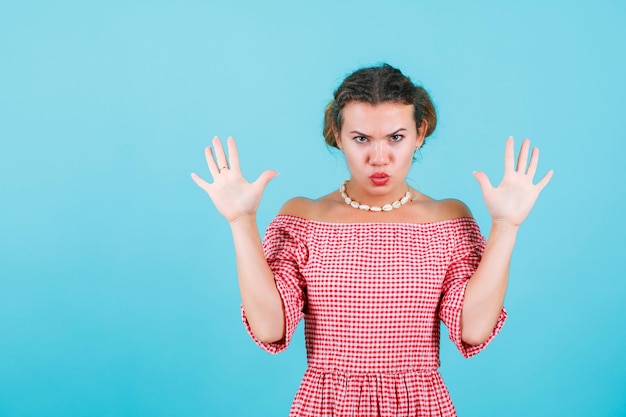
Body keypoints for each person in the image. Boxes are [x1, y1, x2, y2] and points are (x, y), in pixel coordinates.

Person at [191, 64, 553, 417]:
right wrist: (241, 221)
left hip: (419, 406)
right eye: (361, 138)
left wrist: (506, 225)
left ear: (420, 132)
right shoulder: (304, 217)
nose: (379, 158)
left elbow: (472, 330)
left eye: (396, 137)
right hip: (327, 406)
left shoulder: (448, 220)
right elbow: (270, 327)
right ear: (337, 134)